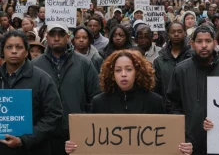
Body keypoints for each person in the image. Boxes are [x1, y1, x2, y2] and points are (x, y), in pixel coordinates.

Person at [65, 50, 193, 155]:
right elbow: (91, 139)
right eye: (118, 70)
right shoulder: (99, 102)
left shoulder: (154, 101)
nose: (124, 74)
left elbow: (164, 139)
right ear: (111, 74)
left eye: (129, 69)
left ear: (137, 72)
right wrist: (75, 145)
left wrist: (183, 147)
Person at [166, 25, 219, 154]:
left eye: (208, 41)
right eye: (199, 42)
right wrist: (181, 136)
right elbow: (173, 106)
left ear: (215, 43)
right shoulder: (181, 70)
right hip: (190, 144)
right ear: (192, 44)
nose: (204, 45)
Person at [31, 23, 101, 155]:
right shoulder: (35, 65)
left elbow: (96, 96)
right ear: (47, 36)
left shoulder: (84, 63)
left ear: (68, 37)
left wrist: (84, 118)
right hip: (45, 136)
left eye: (61, 34)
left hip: (77, 134)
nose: (56, 38)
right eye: (52, 34)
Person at [0, 30, 63, 155]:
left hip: (33, 149)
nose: (13, 51)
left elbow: (54, 115)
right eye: (9, 47)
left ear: (26, 52)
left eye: (19, 47)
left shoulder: (42, 79)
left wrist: (25, 139)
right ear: (3, 52)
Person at [153, 22, 192, 106]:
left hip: (189, 106)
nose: (176, 34)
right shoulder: (159, 60)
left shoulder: (193, 57)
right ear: (168, 34)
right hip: (167, 107)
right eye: (173, 32)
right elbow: (156, 88)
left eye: (179, 31)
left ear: (185, 33)